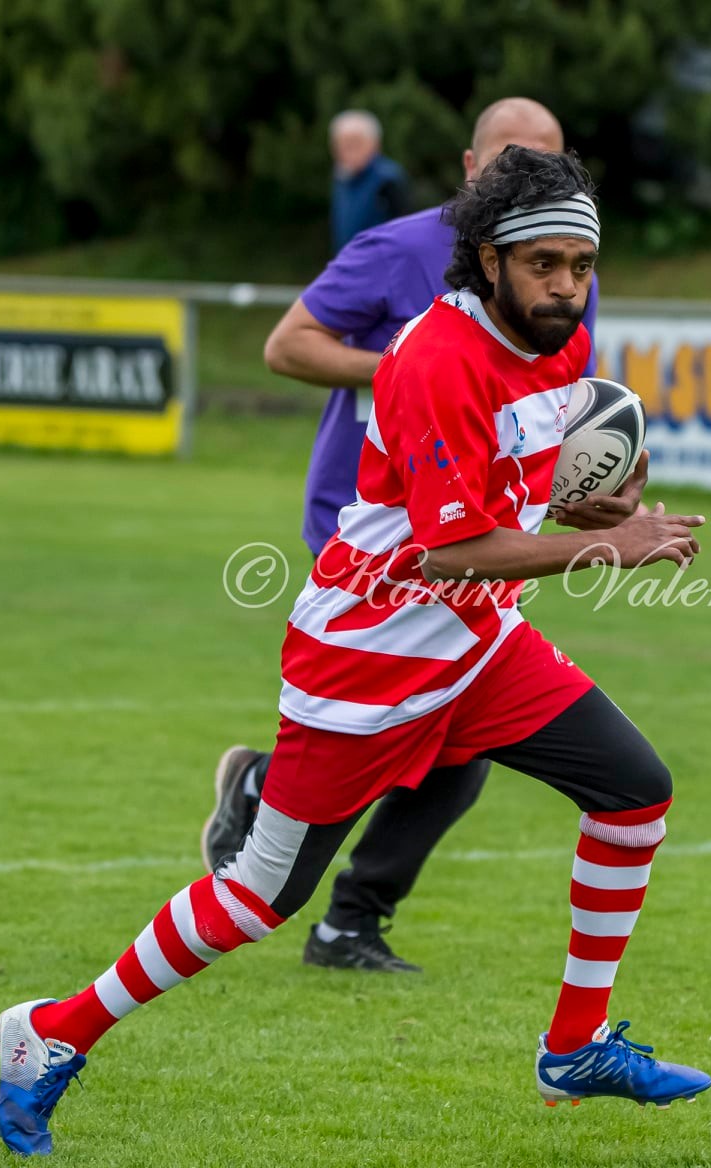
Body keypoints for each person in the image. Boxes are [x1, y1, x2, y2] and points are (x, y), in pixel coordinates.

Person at [0, 146, 711, 1156]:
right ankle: (47, 1034)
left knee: (636, 791)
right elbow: (451, 546)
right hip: (369, 661)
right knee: (256, 896)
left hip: (477, 640)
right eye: (544, 264)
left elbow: (509, 484)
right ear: (488, 259)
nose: (566, 285)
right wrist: (606, 542)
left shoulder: (559, 338)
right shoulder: (433, 360)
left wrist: (586, 502)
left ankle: (575, 1045)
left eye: (580, 266)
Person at [201, 97, 610, 976]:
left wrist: (594, 485)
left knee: (457, 753)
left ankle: (342, 904)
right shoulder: (397, 249)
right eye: (505, 160)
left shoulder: (562, 259)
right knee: (419, 741)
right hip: (375, 530)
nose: (520, 178)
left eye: (541, 161)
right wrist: (407, 373)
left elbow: (559, 401)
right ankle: (305, 860)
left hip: (484, 534)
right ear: (470, 167)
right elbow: (288, 345)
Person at [330, 109, 412, 253]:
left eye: (356, 142)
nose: (348, 149)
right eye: (343, 143)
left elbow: (405, 233)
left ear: (374, 144)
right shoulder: (342, 178)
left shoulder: (389, 179)